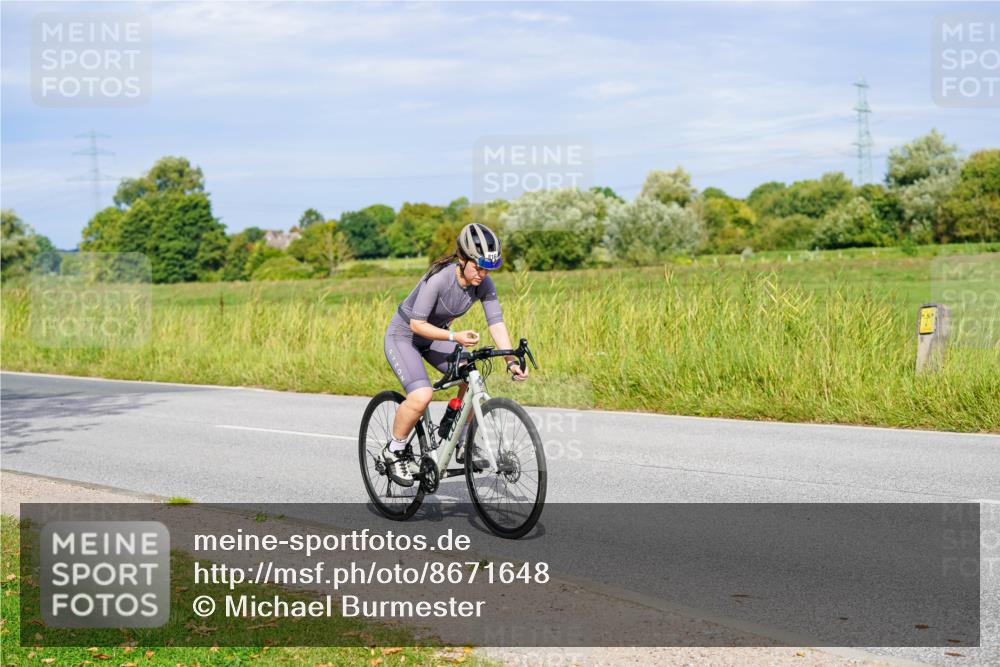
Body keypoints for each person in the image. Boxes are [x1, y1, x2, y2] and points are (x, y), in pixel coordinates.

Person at [381, 223, 527, 486]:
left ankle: (460, 441)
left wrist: (511, 360)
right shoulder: (439, 279)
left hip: (434, 337)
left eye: (488, 268)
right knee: (422, 395)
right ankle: (394, 449)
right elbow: (416, 325)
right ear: (462, 259)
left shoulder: (483, 282)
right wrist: (454, 337)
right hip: (404, 336)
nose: (483, 274)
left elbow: (496, 322)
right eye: (478, 267)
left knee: (472, 375)